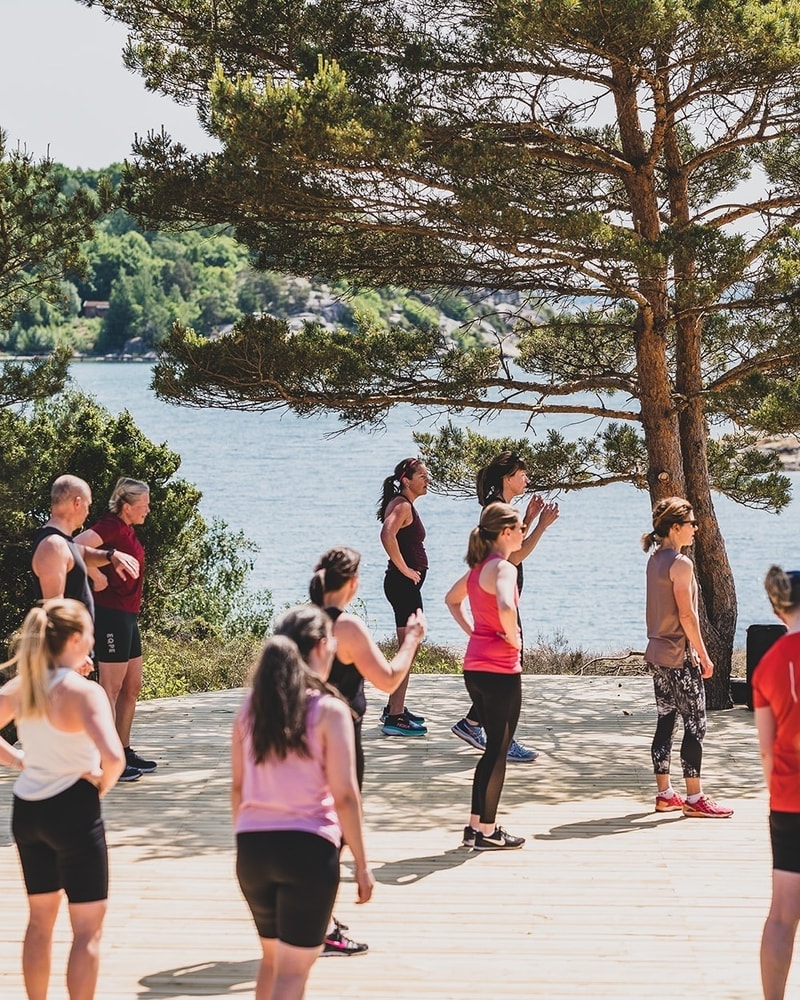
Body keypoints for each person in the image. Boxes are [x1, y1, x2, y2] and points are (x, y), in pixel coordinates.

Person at [275, 555, 426, 956]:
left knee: (304, 825)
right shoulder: (345, 626)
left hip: (292, 740)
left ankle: (305, 916)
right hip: (338, 739)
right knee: (333, 833)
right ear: (354, 584)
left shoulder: (295, 622)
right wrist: (411, 638)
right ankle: (319, 926)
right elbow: (388, 679)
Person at [231, 629, 373, 999]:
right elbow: (344, 794)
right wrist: (361, 862)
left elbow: (237, 788)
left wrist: (244, 840)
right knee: (293, 973)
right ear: (320, 648)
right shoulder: (330, 710)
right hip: (308, 850)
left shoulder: (250, 710)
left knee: (272, 961)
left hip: (253, 850)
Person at [0, 599, 125, 1000]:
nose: (92, 640)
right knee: (87, 928)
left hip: (28, 810)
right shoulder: (85, 693)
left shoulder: (23, 686)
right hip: (73, 809)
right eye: (88, 633)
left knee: (40, 921)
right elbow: (115, 758)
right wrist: (95, 789)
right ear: (74, 639)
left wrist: (19, 759)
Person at [451, 451, 559, 763]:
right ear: (507, 477)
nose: (527, 479)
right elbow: (514, 555)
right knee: (508, 666)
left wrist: (528, 518)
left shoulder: (499, 505)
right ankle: (499, 736)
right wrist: (541, 525)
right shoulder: (497, 506)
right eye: (522, 474)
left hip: (496, 592)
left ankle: (473, 723)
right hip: (497, 596)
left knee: (503, 667)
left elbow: (508, 542)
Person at [641, 497, 732, 818]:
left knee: (666, 720)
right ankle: (695, 798)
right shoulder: (681, 564)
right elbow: (687, 615)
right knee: (696, 725)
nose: (696, 528)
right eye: (691, 523)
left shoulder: (655, 559)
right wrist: (704, 656)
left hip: (656, 653)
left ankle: (665, 794)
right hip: (679, 657)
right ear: (675, 527)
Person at [445, 503, 527, 850]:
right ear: (505, 533)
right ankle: (489, 832)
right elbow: (507, 607)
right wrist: (512, 637)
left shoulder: (478, 570)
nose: (523, 532)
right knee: (498, 749)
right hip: (500, 669)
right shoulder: (504, 568)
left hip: (474, 666)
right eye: (521, 527)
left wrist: (475, 632)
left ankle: (475, 827)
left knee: (492, 749)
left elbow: (451, 600)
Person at [75, 478, 155, 784]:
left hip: (127, 615)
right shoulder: (109, 525)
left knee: (132, 685)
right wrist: (96, 576)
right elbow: (76, 547)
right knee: (110, 688)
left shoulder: (125, 530)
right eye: (144, 504)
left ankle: (122, 750)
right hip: (110, 614)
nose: (148, 509)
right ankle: (109, 760)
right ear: (127, 506)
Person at [753, 566, 800, 1000]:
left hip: (789, 801)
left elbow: (767, 751)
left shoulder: (768, 665)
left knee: (783, 915)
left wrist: (778, 791)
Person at [31, 475, 140, 620]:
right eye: (88, 505)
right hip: (67, 641)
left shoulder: (62, 543)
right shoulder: (53, 545)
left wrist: (111, 556)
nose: (88, 512)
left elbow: (84, 554)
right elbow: (53, 613)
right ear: (77, 503)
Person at [377, 457, 430, 736]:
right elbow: (387, 534)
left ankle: (393, 708)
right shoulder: (402, 505)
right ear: (406, 480)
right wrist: (406, 569)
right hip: (402, 584)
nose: (427, 479)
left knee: (409, 647)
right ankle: (395, 718)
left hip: (404, 584)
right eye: (422, 475)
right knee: (408, 649)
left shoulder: (402, 504)